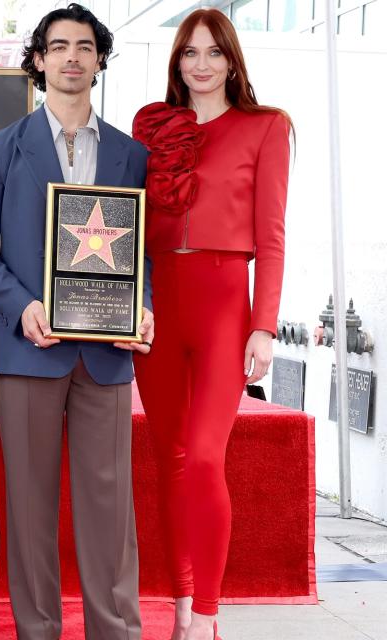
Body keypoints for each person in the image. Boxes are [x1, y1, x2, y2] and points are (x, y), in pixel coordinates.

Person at [0, 5, 154, 639]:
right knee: (30, 507)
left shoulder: (130, 153)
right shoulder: (2, 147)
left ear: (99, 60)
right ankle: (37, 630)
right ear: (38, 60)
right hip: (28, 349)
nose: (73, 56)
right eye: (59, 46)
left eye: (85, 46)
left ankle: (115, 630)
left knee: (109, 508)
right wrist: (21, 306)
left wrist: (140, 307)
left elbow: (140, 251)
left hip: (106, 354)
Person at [131, 9, 291, 640]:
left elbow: (273, 236)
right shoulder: (151, 132)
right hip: (157, 302)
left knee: (203, 458)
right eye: (189, 53)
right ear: (177, 63)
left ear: (232, 60)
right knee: (169, 459)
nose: (200, 64)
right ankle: (180, 602)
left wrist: (265, 324)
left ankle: (207, 617)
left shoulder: (266, 128)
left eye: (212, 53)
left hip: (227, 302)